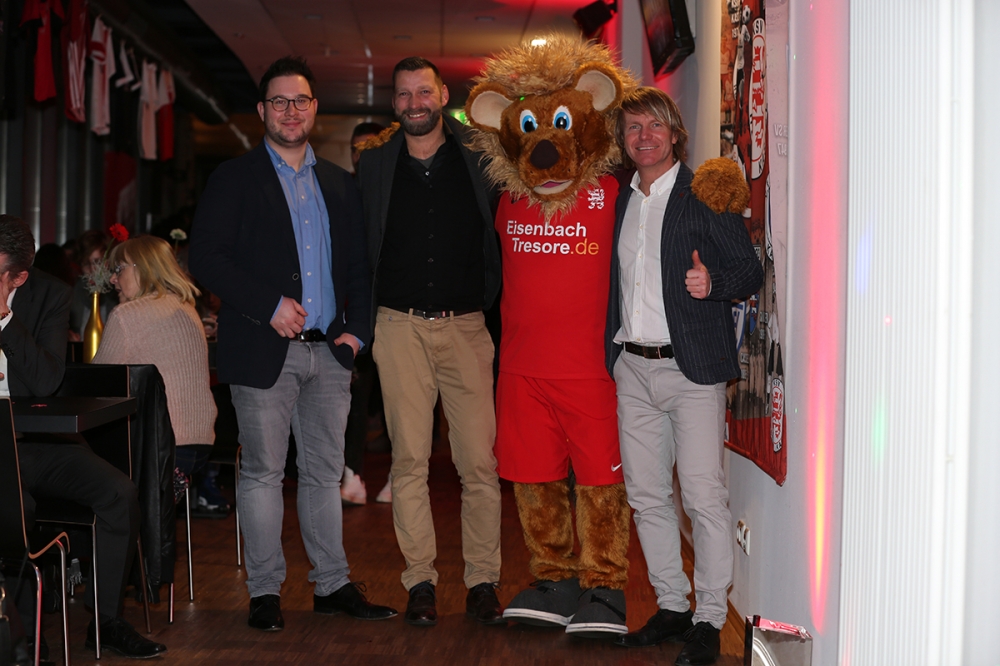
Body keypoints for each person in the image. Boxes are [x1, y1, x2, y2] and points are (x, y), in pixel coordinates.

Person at [189, 55, 396, 631]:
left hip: (329, 353)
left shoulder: (339, 184)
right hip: (263, 349)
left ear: (314, 109)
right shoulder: (234, 178)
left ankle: (331, 585)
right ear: (262, 110)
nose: (290, 111)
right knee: (261, 473)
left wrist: (356, 334)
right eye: (278, 101)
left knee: (325, 475)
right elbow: (207, 258)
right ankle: (264, 593)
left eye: (300, 101)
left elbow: (358, 268)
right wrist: (269, 304)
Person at [605, 88, 763, 666]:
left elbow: (749, 268)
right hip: (632, 368)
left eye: (654, 126)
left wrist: (712, 284)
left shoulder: (702, 194)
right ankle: (672, 606)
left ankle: (709, 618)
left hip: (690, 368)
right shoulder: (620, 199)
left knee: (702, 497)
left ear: (675, 134)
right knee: (647, 497)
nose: (643, 136)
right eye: (632, 128)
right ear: (623, 141)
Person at [356, 56, 504, 626]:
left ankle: (482, 582)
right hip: (398, 328)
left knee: (479, 465)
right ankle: (420, 581)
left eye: (424, 91)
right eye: (404, 94)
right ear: (393, 103)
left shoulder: (482, 157)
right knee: (409, 462)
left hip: (467, 326)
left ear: (443, 95)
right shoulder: (374, 166)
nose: (414, 103)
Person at [1, 215, 166, 659]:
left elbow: (46, 380)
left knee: (118, 493)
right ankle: (23, 637)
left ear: (18, 276)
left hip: (38, 443)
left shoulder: (49, 295)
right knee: (16, 508)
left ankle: (107, 621)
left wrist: (5, 320)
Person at [92, 235, 222, 512]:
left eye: (119, 269)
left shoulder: (127, 314)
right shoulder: (187, 308)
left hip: (159, 446)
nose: (113, 279)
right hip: (198, 443)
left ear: (142, 268)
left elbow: (95, 384)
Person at [341, 120, 388, 506]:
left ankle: (400, 477)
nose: (361, 155)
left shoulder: (395, 186)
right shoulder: (343, 189)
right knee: (355, 393)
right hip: (356, 310)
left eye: (369, 147)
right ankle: (351, 473)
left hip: (392, 308)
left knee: (401, 399)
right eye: (356, 148)